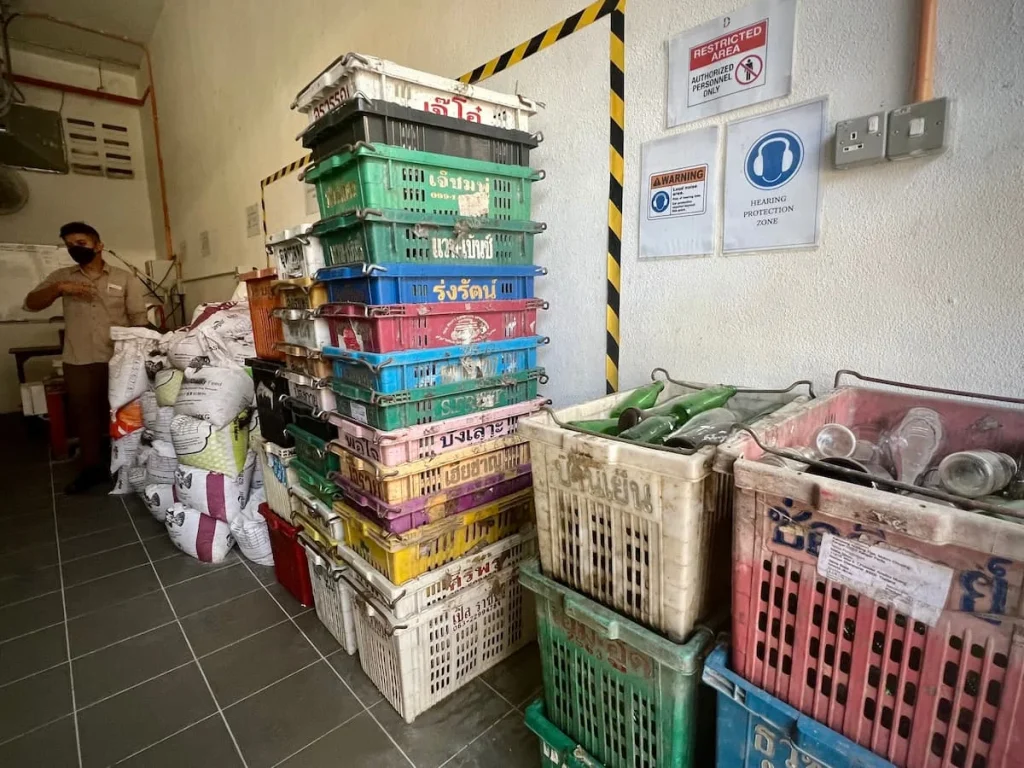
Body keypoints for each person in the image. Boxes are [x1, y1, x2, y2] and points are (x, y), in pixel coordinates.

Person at [24, 222, 149, 493]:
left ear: (98, 246)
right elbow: (31, 303)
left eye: (80, 243)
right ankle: (92, 469)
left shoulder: (124, 277)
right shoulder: (62, 277)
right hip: (79, 359)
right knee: (85, 416)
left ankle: (132, 466)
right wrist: (59, 289)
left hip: (120, 359)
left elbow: (139, 319)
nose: (74, 249)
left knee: (127, 413)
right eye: (70, 245)